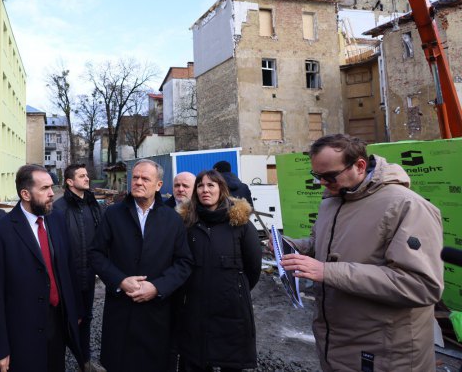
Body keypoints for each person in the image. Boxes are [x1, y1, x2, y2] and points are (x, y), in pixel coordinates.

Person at [281, 134, 443, 371]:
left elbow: (420, 285)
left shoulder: (407, 206)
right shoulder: (332, 201)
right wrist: (293, 246)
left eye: (329, 176)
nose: (322, 183)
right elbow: (322, 243)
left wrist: (327, 271)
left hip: (385, 353)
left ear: (359, 165)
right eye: (317, 176)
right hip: (336, 343)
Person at [90, 159, 192, 372]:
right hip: (121, 310)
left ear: (158, 185)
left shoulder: (172, 219)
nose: (138, 182)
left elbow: (184, 262)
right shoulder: (113, 214)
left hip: (157, 313)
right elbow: (96, 254)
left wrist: (157, 287)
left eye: (145, 178)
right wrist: (120, 280)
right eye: (135, 177)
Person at [0, 164, 81, 372]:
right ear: (25, 194)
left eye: (52, 187)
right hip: (20, 332)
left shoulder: (57, 220)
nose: (52, 193)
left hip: (56, 324)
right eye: (44, 189)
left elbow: (68, 267)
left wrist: (74, 309)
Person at [176, 170, 261, 371]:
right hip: (195, 307)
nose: (205, 190)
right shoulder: (187, 223)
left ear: (221, 189)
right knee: (195, 359)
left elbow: (253, 267)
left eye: (211, 185)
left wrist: (235, 289)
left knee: (231, 362)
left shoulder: (240, 223)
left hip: (231, 309)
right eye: (200, 186)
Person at [52, 164, 104, 372]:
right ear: (70, 181)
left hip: (89, 274)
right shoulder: (58, 209)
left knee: (87, 318)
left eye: (86, 175)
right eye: (81, 176)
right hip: (67, 277)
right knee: (65, 321)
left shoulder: (93, 206)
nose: (87, 178)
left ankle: (85, 363)